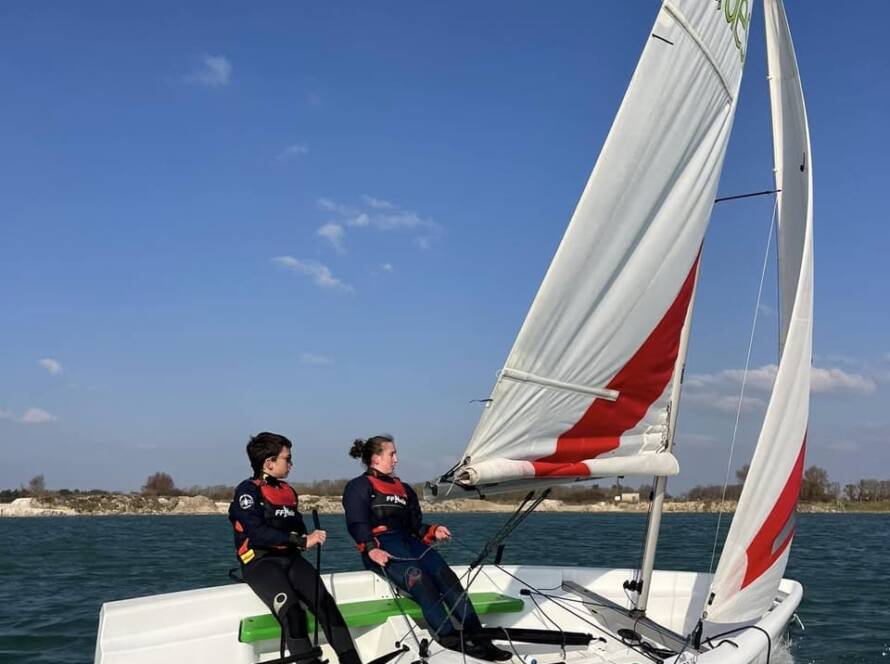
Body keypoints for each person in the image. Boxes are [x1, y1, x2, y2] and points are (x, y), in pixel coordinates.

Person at [342, 435, 511, 662]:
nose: (396, 459)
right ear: (375, 458)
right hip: (381, 546)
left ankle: (478, 635)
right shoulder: (358, 487)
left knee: (446, 576)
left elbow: (415, 526)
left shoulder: (405, 489)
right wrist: (370, 548)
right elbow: (357, 523)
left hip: (409, 542)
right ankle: (448, 637)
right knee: (420, 579)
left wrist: (432, 531)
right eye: (391, 454)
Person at [229, 432, 361, 664]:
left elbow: (296, 527)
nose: (291, 464)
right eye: (287, 459)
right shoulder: (248, 491)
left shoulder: (288, 492)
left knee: (326, 605)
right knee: (293, 614)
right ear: (269, 463)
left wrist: (307, 538)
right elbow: (256, 533)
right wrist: (302, 541)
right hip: (260, 563)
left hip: (290, 559)